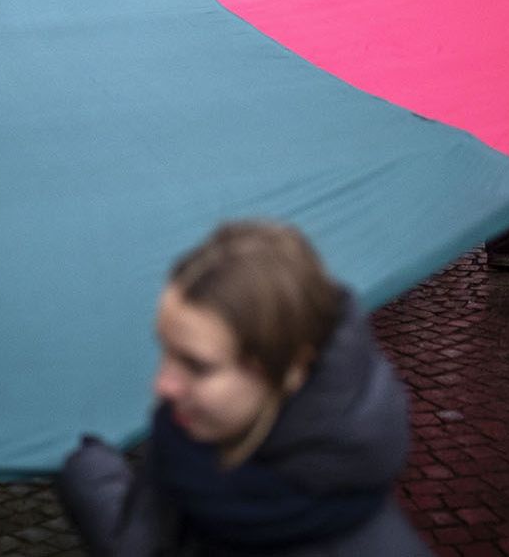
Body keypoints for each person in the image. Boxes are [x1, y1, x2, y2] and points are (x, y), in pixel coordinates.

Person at [56, 222, 425, 556]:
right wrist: (89, 477)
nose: (162, 385)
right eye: (164, 349)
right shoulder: (188, 439)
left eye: (197, 366)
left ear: (290, 369)